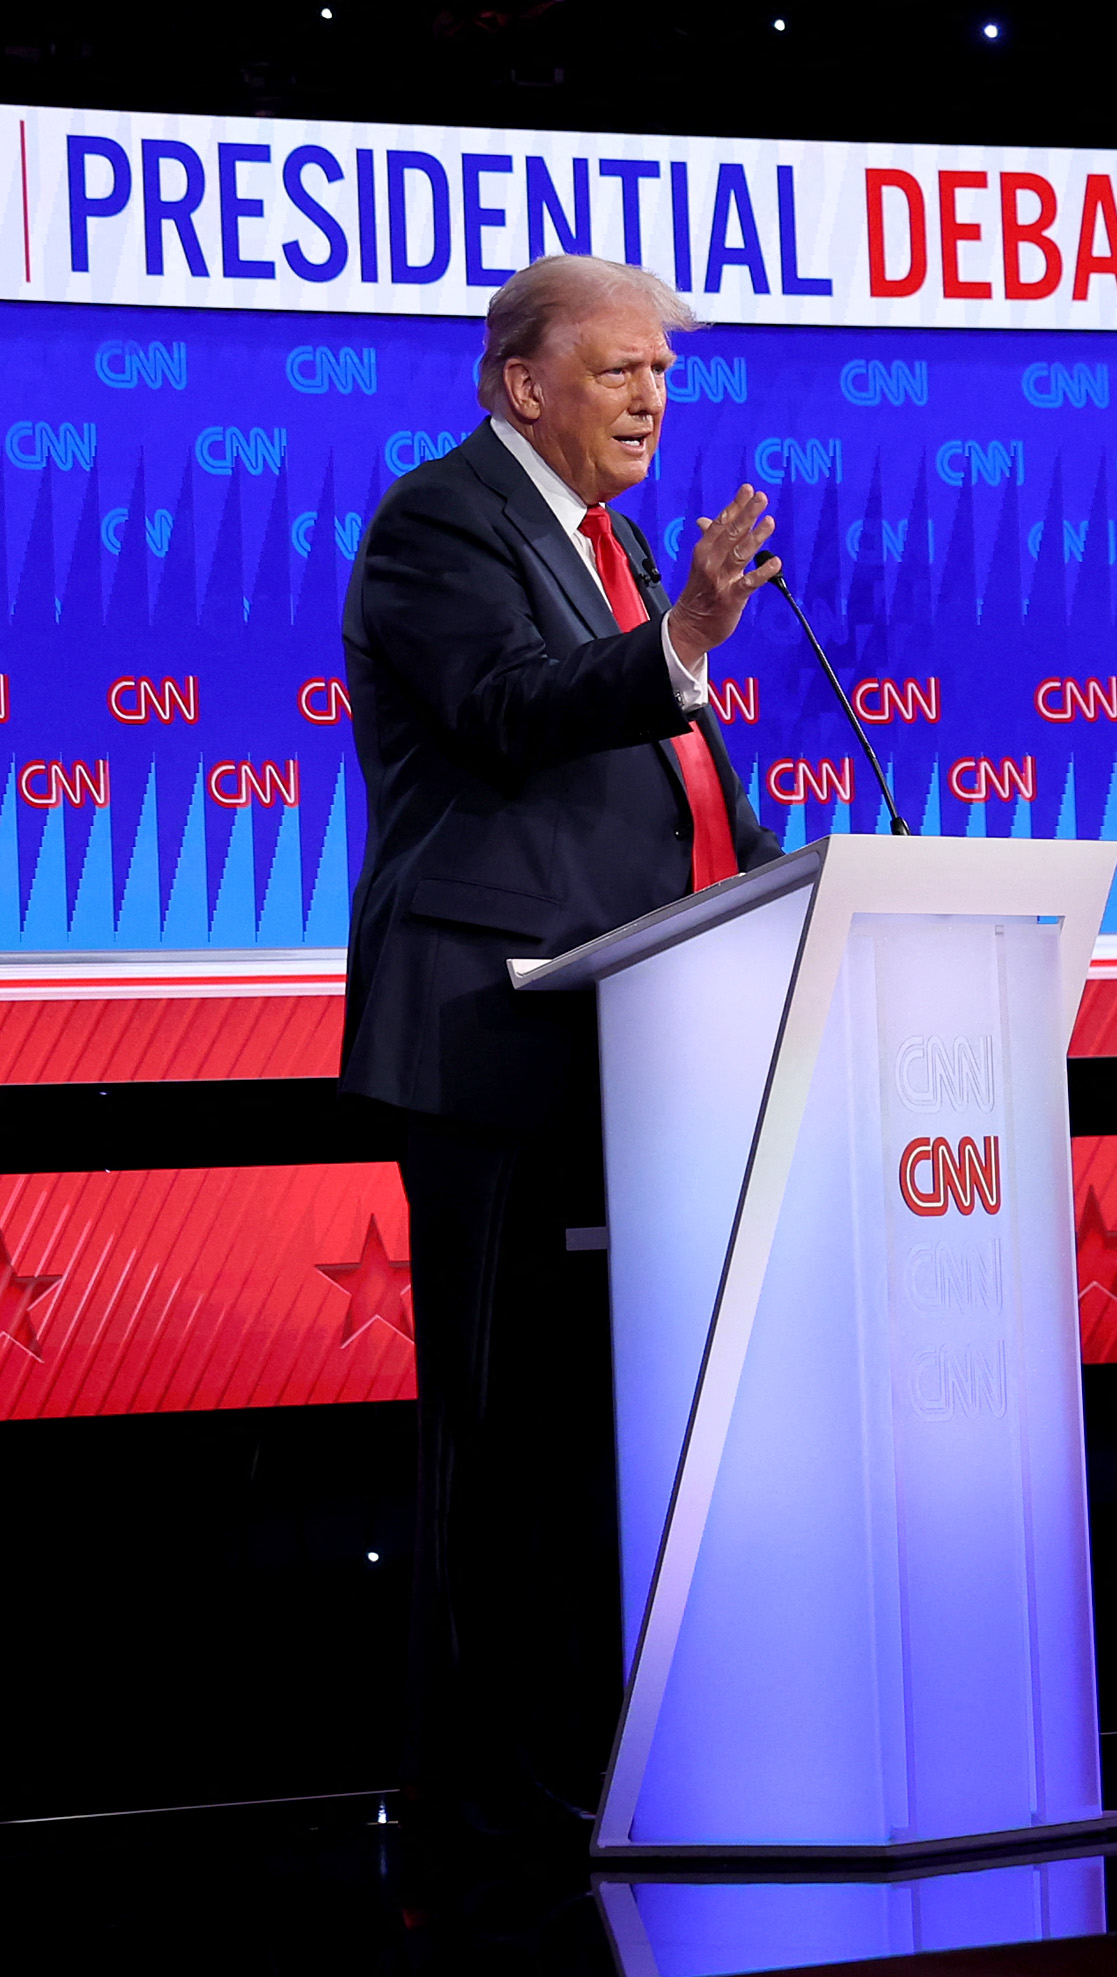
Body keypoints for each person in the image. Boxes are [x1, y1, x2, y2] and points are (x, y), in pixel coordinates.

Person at [339, 254, 784, 1837]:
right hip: (498, 1047)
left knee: (597, 1435)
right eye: (619, 371)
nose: (653, 397)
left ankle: (601, 1770)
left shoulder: (615, 542)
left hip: (639, 1047)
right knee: (499, 1437)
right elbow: (516, 707)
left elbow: (654, 781)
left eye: (662, 372)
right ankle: (478, 1814)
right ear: (521, 383)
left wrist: (785, 877)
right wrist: (683, 641)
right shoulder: (442, 521)